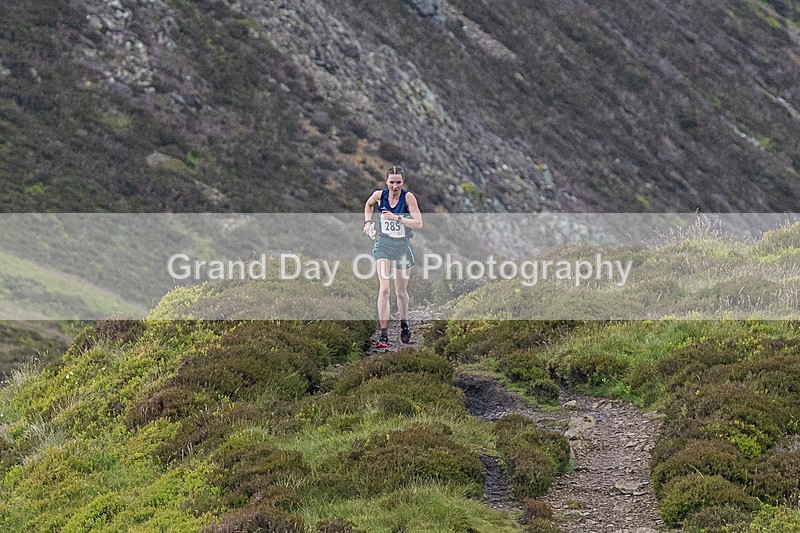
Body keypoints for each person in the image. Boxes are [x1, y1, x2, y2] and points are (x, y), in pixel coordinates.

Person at [363, 165, 423, 348]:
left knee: (400, 292)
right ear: (386, 182)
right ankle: (383, 334)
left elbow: (419, 223)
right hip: (384, 245)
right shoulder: (379, 196)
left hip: (402, 246)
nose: (395, 186)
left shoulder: (408, 197)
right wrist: (367, 223)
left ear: (402, 182)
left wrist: (398, 218)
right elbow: (368, 204)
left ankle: (404, 323)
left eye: (398, 182)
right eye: (391, 182)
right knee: (384, 290)